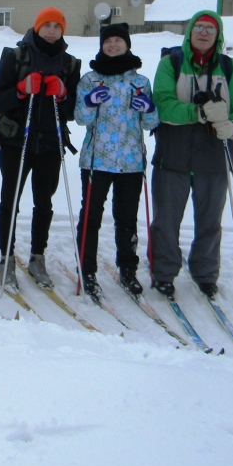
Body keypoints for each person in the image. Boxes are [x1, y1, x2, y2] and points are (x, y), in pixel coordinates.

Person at [149, 11, 233, 298]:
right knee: (166, 221)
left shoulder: (229, 67)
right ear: (189, 32)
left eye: (210, 28)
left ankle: (205, 272)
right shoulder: (171, 63)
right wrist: (197, 112)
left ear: (218, 35)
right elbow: (162, 103)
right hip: (173, 154)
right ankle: (164, 272)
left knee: (210, 221)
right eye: (199, 27)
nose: (204, 33)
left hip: (215, 157)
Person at [0, 6, 81, 289]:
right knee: (10, 200)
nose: (51, 30)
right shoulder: (15, 57)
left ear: (62, 30)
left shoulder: (70, 64)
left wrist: (63, 94)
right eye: (46, 25)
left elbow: (74, 110)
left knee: (44, 203)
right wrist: (20, 90)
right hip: (17, 140)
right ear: (37, 27)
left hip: (51, 142)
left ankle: (37, 257)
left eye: (57, 26)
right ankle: (6, 256)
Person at [73, 23, 160, 299]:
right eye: (108, 41)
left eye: (117, 41)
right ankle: (86, 269)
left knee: (126, 219)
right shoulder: (90, 79)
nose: (113, 45)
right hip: (96, 160)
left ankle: (127, 269)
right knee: (91, 217)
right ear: (101, 45)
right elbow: (80, 118)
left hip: (130, 162)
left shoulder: (140, 81)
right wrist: (88, 102)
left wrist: (148, 108)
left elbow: (151, 123)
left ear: (127, 44)